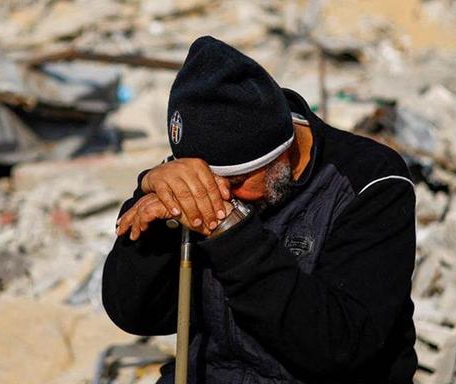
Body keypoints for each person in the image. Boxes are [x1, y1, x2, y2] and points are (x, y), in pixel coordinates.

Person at [103, 36, 417, 383]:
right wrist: (151, 226)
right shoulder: (207, 173)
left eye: (234, 182)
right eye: (205, 179)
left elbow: (340, 349)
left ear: (281, 155)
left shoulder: (370, 183)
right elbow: (137, 315)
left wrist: (232, 235)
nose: (218, 193)